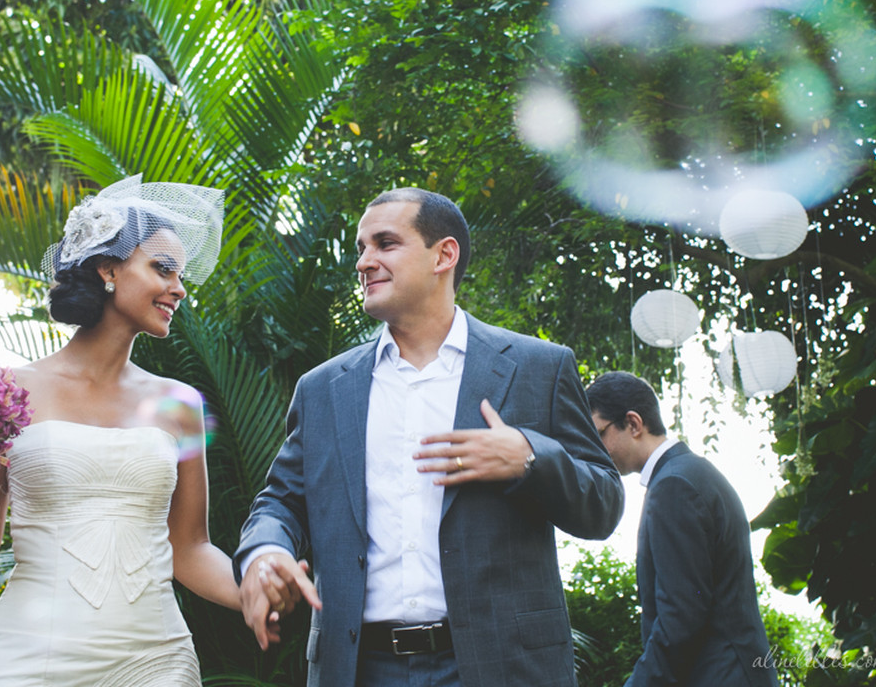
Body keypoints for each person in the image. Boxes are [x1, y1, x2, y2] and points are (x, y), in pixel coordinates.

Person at [235, 187, 625, 687]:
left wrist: (530, 457)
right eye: (361, 248)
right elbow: (281, 502)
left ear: (444, 255)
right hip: (358, 670)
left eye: (385, 243)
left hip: (501, 669)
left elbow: (604, 504)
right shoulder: (323, 389)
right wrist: (266, 552)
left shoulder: (539, 367)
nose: (364, 262)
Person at [0, 178, 290, 686]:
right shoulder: (7, 391)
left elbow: (190, 549)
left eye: (181, 275)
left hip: (154, 662)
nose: (179, 288)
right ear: (108, 268)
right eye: (163, 269)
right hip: (29, 659)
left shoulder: (180, 405)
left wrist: (253, 592)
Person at [584, 371, 777, 687]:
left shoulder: (673, 485)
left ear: (633, 424)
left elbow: (682, 615)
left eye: (599, 436)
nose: (596, 451)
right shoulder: (690, 472)